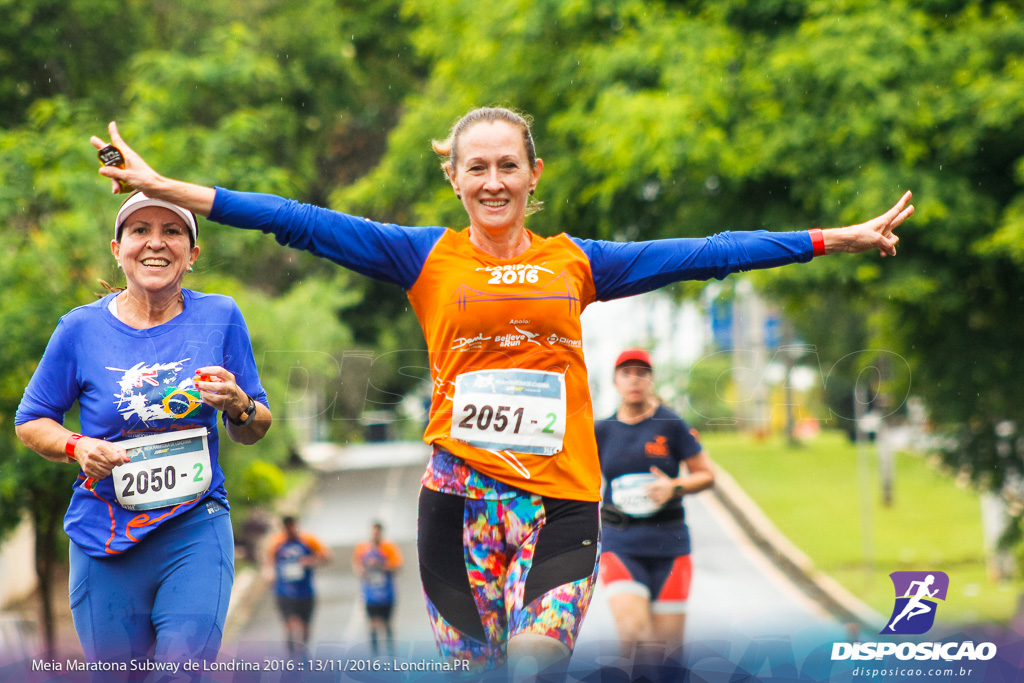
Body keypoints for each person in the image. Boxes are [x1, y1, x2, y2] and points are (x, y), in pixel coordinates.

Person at [90, 110, 912, 679]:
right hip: (456, 505)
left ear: (532, 174)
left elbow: (709, 251)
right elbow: (293, 218)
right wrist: (169, 186)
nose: (492, 181)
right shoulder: (422, 256)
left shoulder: (578, 262)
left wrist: (827, 239)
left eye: (506, 166)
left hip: (559, 502)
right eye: (475, 167)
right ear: (454, 177)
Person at [14, 190, 272, 672]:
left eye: (172, 231)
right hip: (104, 534)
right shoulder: (79, 329)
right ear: (118, 249)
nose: (156, 243)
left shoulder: (220, 315)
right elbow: (31, 421)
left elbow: (256, 424)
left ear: (192, 255)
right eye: (140, 231)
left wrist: (238, 403)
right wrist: (77, 444)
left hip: (195, 523)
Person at [595, 349, 715, 672]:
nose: (634, 379)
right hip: (620, 543)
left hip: (670, 545)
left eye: (642, 373)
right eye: (626, 373)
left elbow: (706, 475)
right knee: (634, 635)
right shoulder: (602, 431)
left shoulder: (671, 424)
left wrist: (674, 486)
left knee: (666, 656)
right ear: (615, 381)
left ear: (651, 379)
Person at [266, 515, 330, 657]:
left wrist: (311, 561)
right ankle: (292, 655)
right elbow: (268, 563)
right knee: (291, 625)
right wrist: (270, 574)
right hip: (284, 592)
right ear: (284, 529)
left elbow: (326, 557)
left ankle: (302, 650)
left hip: (305, 592)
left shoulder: (309, 540)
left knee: (305, 628)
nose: (291, 531)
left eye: (293, 527)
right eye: (287, 528)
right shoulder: (276, 542)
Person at [352, 521, 404, 657]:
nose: (375, 535)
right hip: (370, 594)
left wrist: (380, 565)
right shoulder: (362, 549)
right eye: (373, 532)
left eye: (377, 533)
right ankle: (374, 655)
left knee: (387, 624)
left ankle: (391, 654)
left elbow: (397, 566)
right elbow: (357, 569)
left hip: (387, 594)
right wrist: (364, 569)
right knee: (372, 624)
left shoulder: (389, 548)